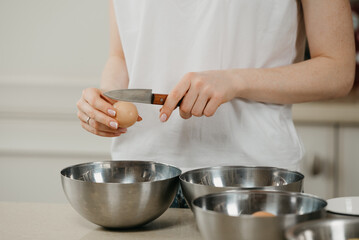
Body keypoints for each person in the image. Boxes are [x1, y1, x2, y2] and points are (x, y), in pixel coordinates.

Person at [77, 0, 355, 207]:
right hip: (139, 184)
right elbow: (122, 56)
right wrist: (106, 100)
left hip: (253, 184)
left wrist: (235, 81)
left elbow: (338, 70)